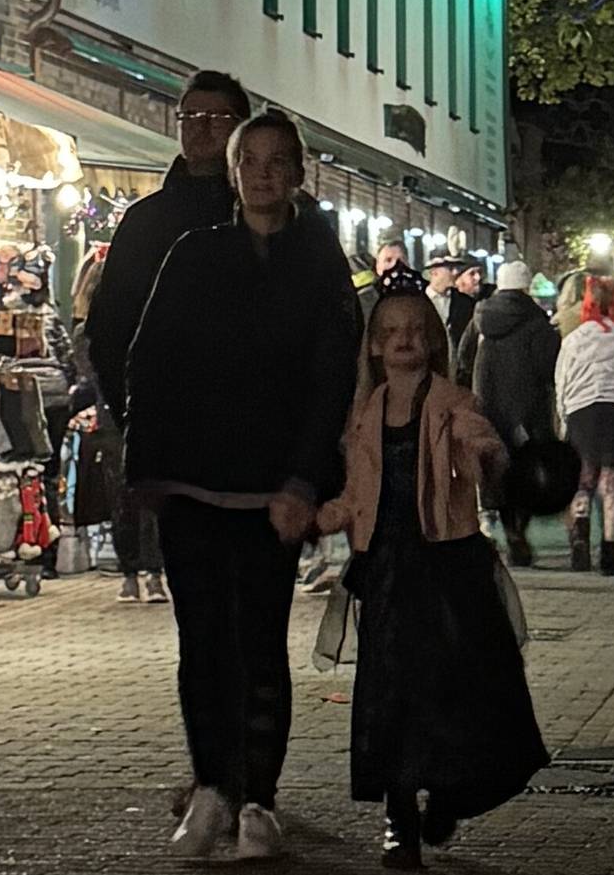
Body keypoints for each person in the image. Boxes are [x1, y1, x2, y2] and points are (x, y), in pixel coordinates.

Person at [124, 111, 362, 860]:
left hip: (273, 491)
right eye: (250, 160)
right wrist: (145, 469)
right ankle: (211, 788)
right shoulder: (195, 253)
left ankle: (259, 797)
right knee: (201, 644)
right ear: (233, 174)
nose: (262, 173)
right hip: (194, 485)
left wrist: (305, 479)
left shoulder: (318, 262)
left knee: (260, 643)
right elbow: (150, 359)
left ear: (297, 172)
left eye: (276, 160)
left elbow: (333, 377)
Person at [316, 273, 549, 869]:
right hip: (387, 572)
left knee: (454, 691)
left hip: (448, 569)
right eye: (392, 330)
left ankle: (449, 793)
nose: (404, 340)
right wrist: (322, 517)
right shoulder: (365, 413)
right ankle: (399, 818)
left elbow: (476, 440)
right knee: (390, 697)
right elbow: (357, 491)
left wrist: (486, 454)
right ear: (374, 345)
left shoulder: (454, 403)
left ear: (434, 342)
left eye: (416, 330)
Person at [86, 69, 252, 603]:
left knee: (257, 608)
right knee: (198, 610)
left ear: (240, 127)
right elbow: (108, 329)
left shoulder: (268, 217)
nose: (201, 128)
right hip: (175, 440)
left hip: (260, 446)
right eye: (190, 116)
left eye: (217, 117)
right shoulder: (146, 222)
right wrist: (136, 417)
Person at [459, 260, 562, 567]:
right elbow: (549, 366)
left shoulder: (480, 317)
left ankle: (506, 527)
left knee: (496, 470)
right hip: (528, 410)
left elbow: (463, 358)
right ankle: (518, 531)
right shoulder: (536, 321)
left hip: (487, 406)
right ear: (526, 286)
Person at [555, 276, 614, 575]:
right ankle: (609, 557)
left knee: (582, 483)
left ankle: (579, 543)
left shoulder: (573, 340)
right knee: (613, 486)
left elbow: (562, 382)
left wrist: (564, 417)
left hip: (582, 414)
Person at [425, 255, 477, 345]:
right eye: (450, 269)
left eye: (456, 268)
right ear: (434, 272)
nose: (456, 272)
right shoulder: (417, 301)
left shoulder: (466, 303)